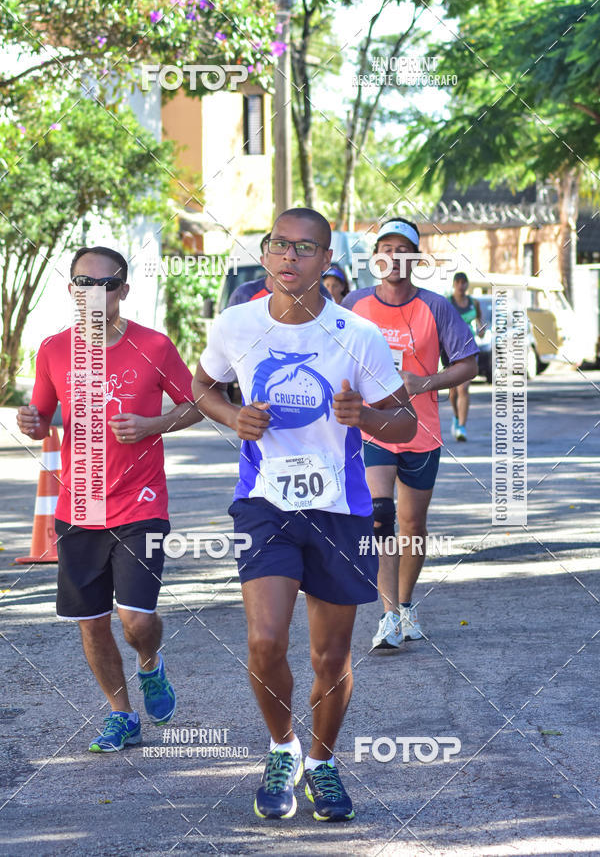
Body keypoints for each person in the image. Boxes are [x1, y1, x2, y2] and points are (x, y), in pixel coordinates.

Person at [192, 208, 416, 821]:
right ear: (265, 253)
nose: (289, 257)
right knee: (264, 641)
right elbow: (199, 386)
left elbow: (406, 421)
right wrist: (230, 416)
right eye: (278, 245)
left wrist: (363, 418)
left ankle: (322, 761)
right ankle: (282, 748)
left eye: (305, 248)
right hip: (265, 503)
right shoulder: (237, 324)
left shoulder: (358, 335)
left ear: (326, 261)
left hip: (341, 509)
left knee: (330, 658)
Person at [17, 246, 203, 753]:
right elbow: (41, 416)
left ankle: (150, 664)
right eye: (82, 282)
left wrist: (153, 424)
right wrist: (31, 422)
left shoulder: (154, 346)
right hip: (81, 506)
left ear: (123, 290)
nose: (92, 293)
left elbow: (198, 404)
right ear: (71, 289)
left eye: (104, 283)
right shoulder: (54, 349)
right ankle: (121, 715)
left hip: (141, 502)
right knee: (93, 624)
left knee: (136, 619)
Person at [342, 218, 478, 650]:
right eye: (386, 248)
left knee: (412, 525)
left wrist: (425, 381)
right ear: (375, 255)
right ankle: (387, 617)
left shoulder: (437, 307)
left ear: (415, 259)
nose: (394, 257)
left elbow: (468, 364)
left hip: (421, 430)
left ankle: (405, 604)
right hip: (373, 427)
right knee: (380, 513)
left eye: (404, 250)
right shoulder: (355, 304)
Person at [228, 234, 332, 306]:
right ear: (263, 261)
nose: (283, 259)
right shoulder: (244, 294)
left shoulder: (318, 291)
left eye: (283, 252)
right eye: (271, 255)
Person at [448, 272, 485, 442]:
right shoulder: (448, 302)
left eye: (464, 283)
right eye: (459, 283)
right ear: (454, 284)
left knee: (463, 388)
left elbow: (481, 321)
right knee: (453, 391)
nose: (461, 286)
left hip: (469, 349)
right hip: (450, 350)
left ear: (467, 285)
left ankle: (462, 426)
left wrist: (482, 329)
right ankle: (456, 417)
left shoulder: (473, 303)